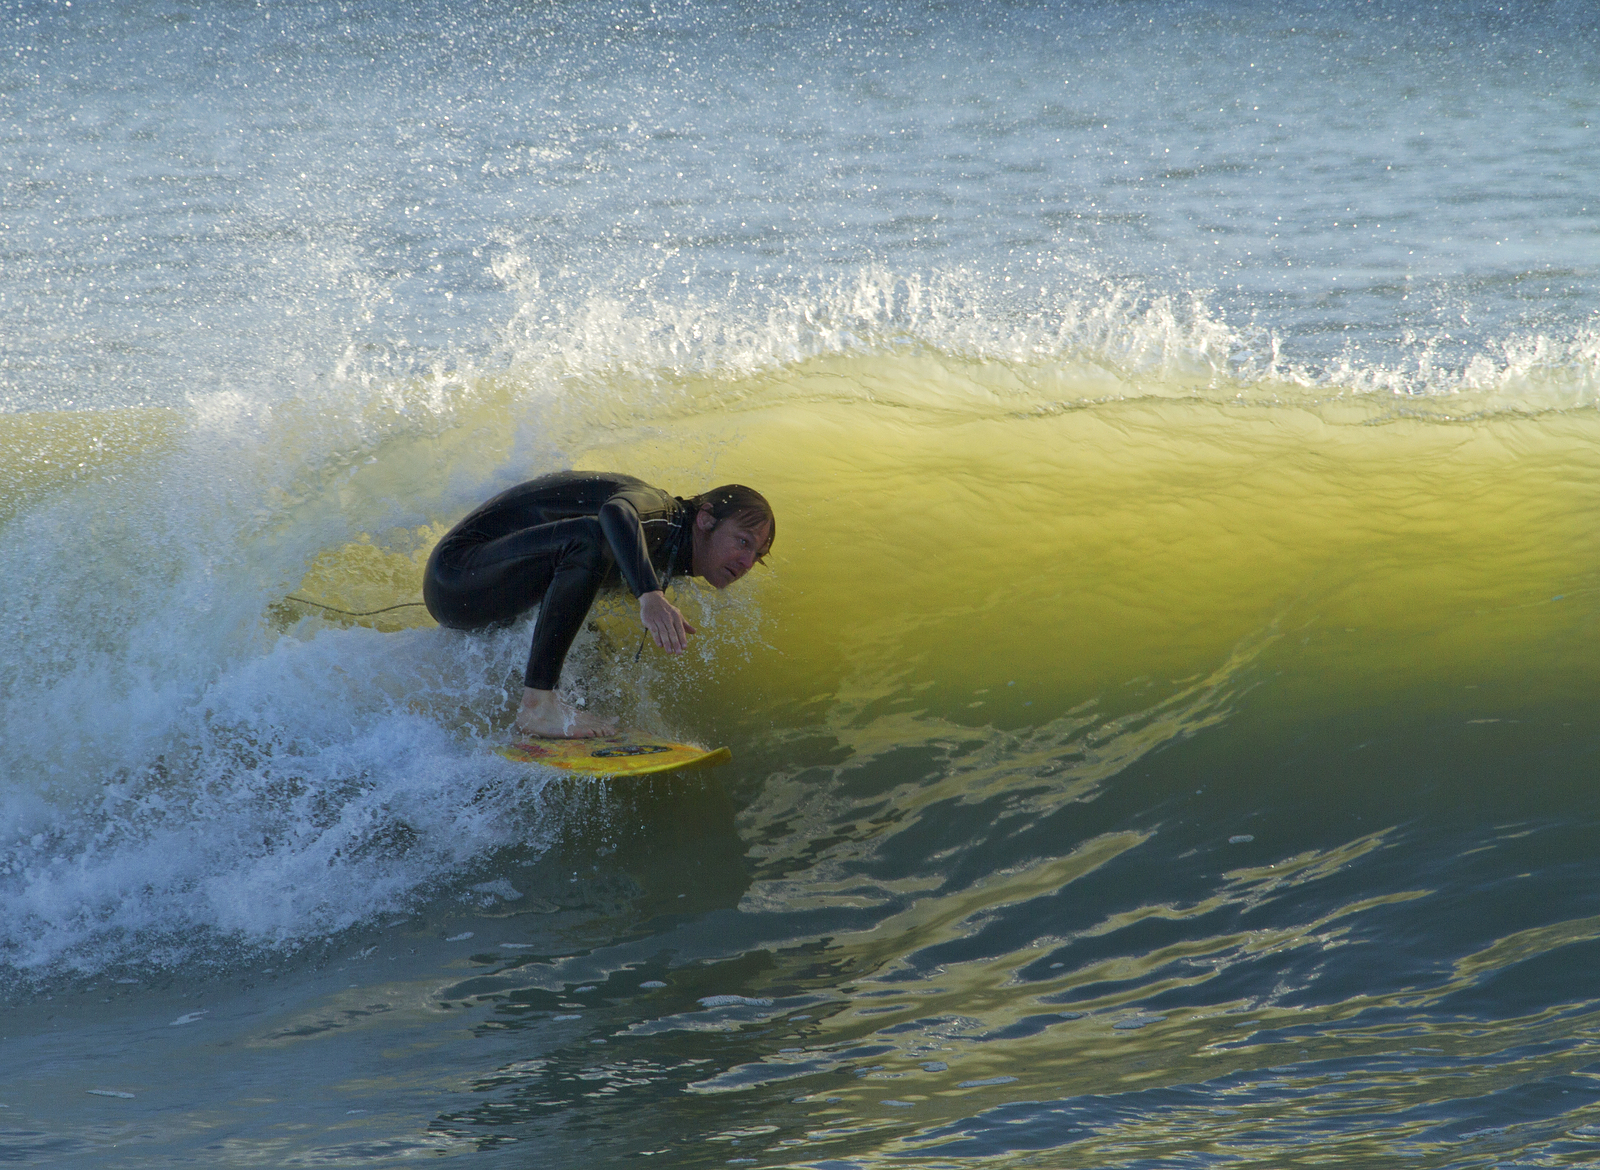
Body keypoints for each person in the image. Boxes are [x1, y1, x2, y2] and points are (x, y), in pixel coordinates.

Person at [423, 471, 775, 738]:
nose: (745, 562)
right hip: (457, 577)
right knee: (588, 540)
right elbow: (616, 512)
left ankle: (553, 716)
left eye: (756, 556)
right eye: (742, 541)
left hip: (487, 586)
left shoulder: (674, 549)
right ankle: (537, 707)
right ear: (706, 518)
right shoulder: (662, 514)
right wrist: (650, 595)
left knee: (596, 652)